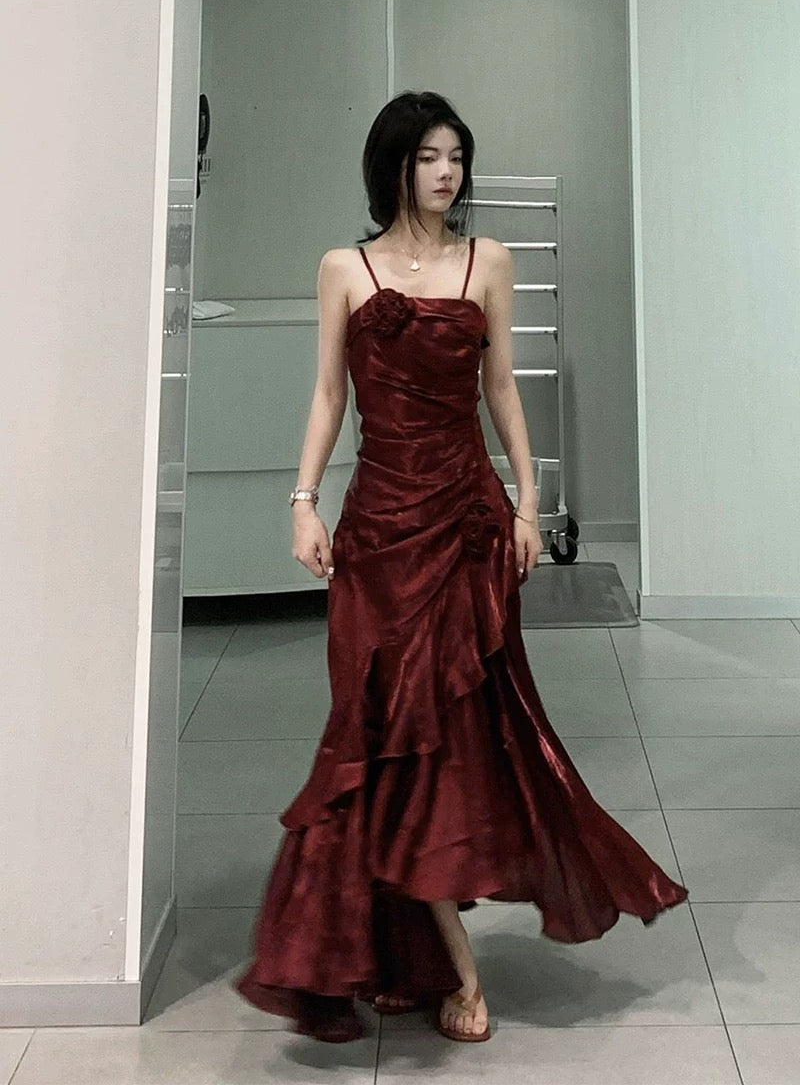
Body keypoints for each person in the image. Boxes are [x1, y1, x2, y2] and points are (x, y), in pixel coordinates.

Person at [234, 91, 689, 1044]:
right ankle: (402, 950)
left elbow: (502, 390)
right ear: (393, 166)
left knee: (453, 735)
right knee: (373, 729)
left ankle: (457, 969)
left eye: (456, 157)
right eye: (428, 157)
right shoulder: (344, 268)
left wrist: (528, 504)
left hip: (465, 527)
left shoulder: (490, 261)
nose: (447, 173)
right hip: (377, 534)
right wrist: (303, 502)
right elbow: (328, 396)